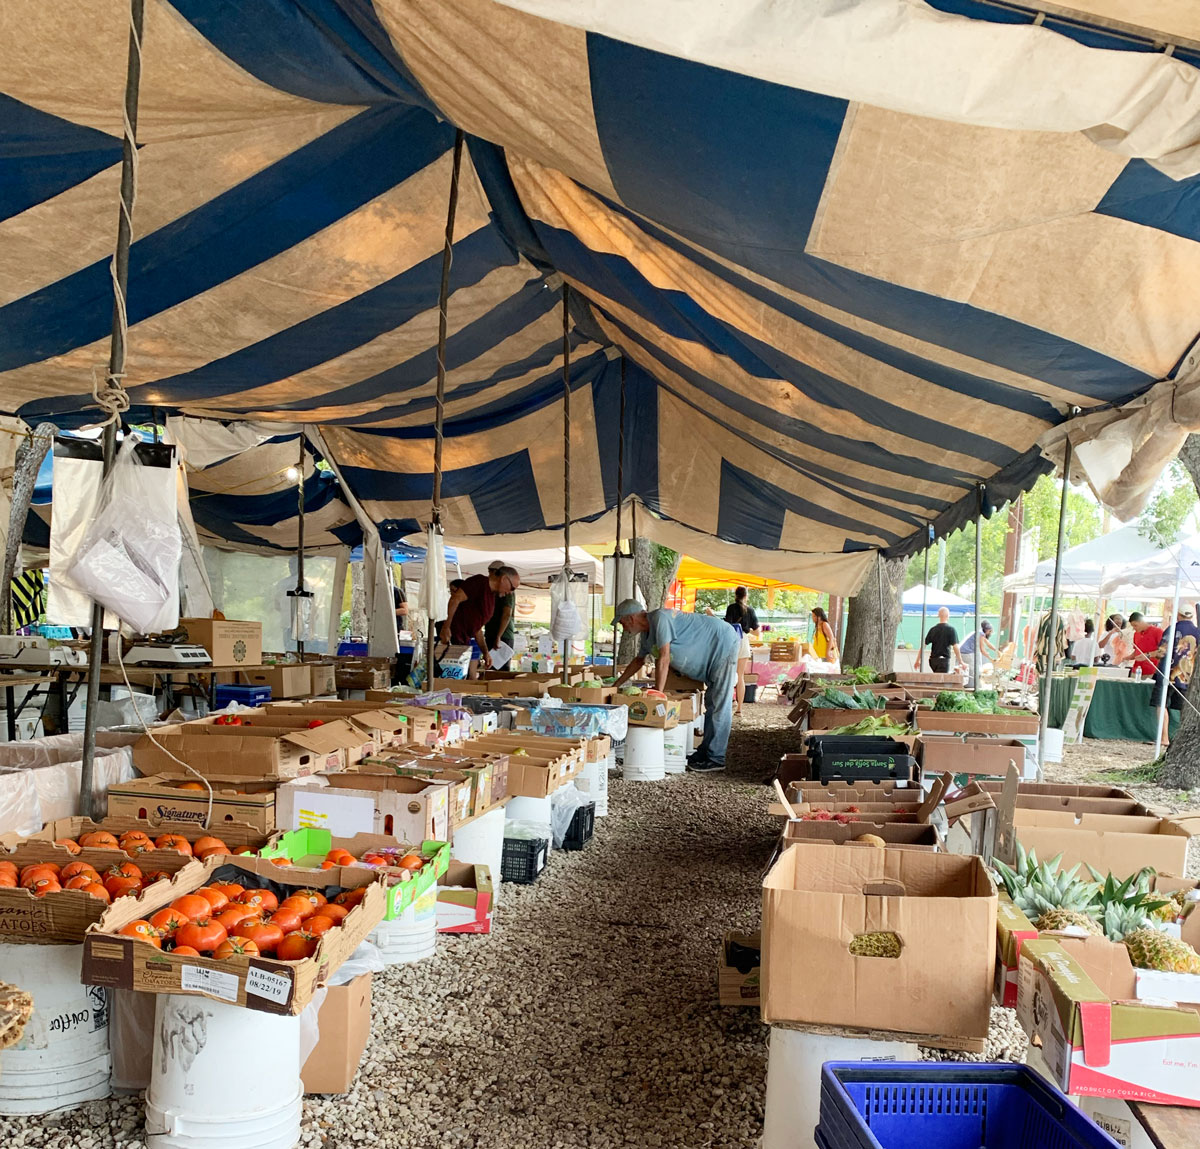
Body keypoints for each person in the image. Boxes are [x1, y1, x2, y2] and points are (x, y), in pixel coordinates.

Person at [613, 600, 739, 772]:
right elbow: (638, 661)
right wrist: (615, 685)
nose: (623, 628)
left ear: (631, 618)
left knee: (719, 703)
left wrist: (657, 694)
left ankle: (716, 758)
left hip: (722, 643)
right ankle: (706, 752)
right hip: (712, 652)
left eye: (622, 622)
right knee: (712, 702)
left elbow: (664, 658)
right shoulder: (646, 634)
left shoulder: (659, 618)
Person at [439, 566, 520, 677]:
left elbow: (477, 629)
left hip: (464, 643)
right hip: (452, 639)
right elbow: (455, 599)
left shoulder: (492, 598)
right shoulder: (479, 582)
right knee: (447, 679)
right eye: (512, 588)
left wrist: (486, 653)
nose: (510, 593)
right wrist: (446, 627)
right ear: (504, 579)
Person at [1147, 607, 1200, 747]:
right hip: (1187, 676)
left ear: (1178, 615)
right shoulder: (1198, 632)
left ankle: (1164, 737)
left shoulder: (1173, 629)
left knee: (1161, 704)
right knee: (1184, 707)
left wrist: (1147, 655)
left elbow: (1162, 652)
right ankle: (1185, 740)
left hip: (1167, 672)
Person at [724, 587, 760, 715]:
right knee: (740, 676)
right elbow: (757, 632)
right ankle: (739, 708)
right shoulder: (750, 611)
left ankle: (727, 704)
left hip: (731, 640)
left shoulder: (731, 608)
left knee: (728, 675)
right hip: (743, 640)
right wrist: (746, 628)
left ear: (735, 595)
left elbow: (726, 625)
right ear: (746, 596)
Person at [484, 559, 516, 671]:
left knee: (499, 669)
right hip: (491, 633)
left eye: (491, 572)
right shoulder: (491, 590)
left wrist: (498, 636)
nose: (490, 575)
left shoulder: (507, 591)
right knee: (490, 667)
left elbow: (507, 614)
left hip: (503, 636)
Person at [923, 607, 966, 674]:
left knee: (936, 677)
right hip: (943, 660)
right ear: (948, 616)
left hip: (933, 660)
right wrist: (960, 661)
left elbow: (924, 644)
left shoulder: (933, 629)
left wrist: (918, 659)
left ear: (938, 616)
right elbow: (955, 646)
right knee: (941, 681)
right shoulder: (951, 629)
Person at [1123, 612, 1164, 680]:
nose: (1134, 628)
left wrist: (1148, 655)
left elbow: (1162, 650)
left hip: (1151, 669)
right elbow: (1137, 650)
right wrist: (1129, 657)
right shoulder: (1136, 634)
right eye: (1132, 626)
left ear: (1142, 621)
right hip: (1136, 669)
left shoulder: (1157, 632)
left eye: (1135, 625)